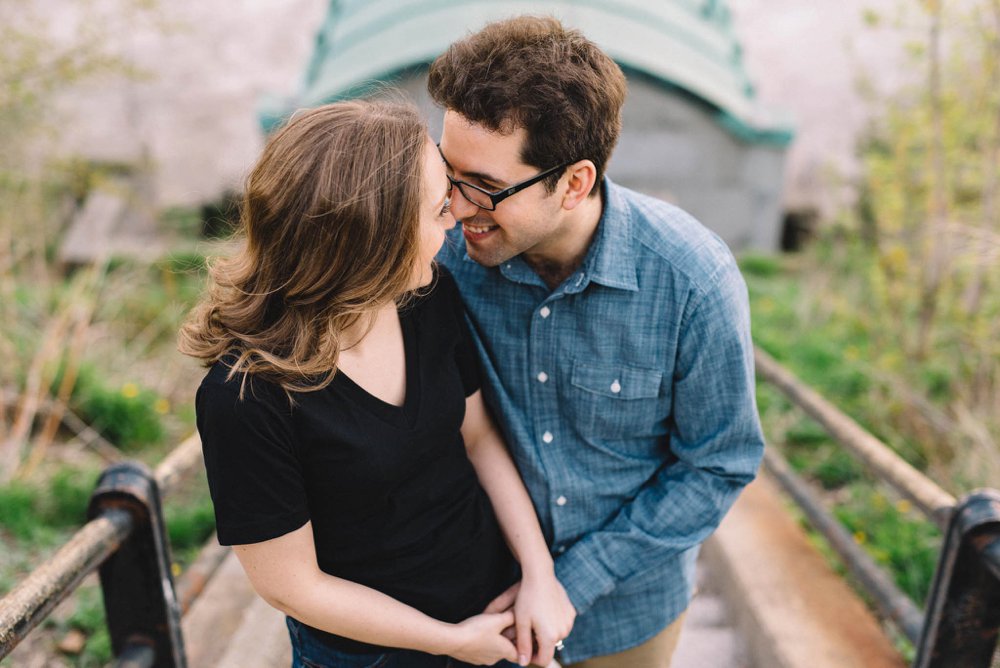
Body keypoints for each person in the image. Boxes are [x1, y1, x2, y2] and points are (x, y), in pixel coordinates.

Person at [178, 99, 574, 668]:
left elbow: (479, 436)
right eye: (439, 208)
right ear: (375, 238)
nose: (455, 219)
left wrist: (539, 576)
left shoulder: (428, 297)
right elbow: (292, 587)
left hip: (496, 606)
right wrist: (452, 642)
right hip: (370, 655)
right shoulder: (246, 397)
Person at [429, 16, 766, 668]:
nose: (458, 206)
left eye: (489, 189)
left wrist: (570, 582)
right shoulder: (437, 253)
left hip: (627, 622)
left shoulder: (692, 279)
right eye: (449, 171)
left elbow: (717, 464)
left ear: (575, 183)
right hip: (474, 612)